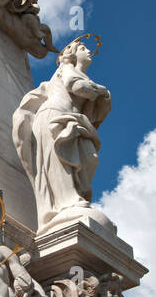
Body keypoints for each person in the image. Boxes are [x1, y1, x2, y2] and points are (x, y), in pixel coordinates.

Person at [13, 38, 111, 226]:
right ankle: (67, 201)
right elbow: (76, 86)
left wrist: (101, 93)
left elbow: (96, 109)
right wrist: (101, 90)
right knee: (60, 161)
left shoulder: (82, 75)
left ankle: (73, 197)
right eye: (82, 48)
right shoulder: (66, 69)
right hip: (54, 117)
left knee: (89, 158)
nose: (88, 51)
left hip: (71, 119)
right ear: (72, 55)